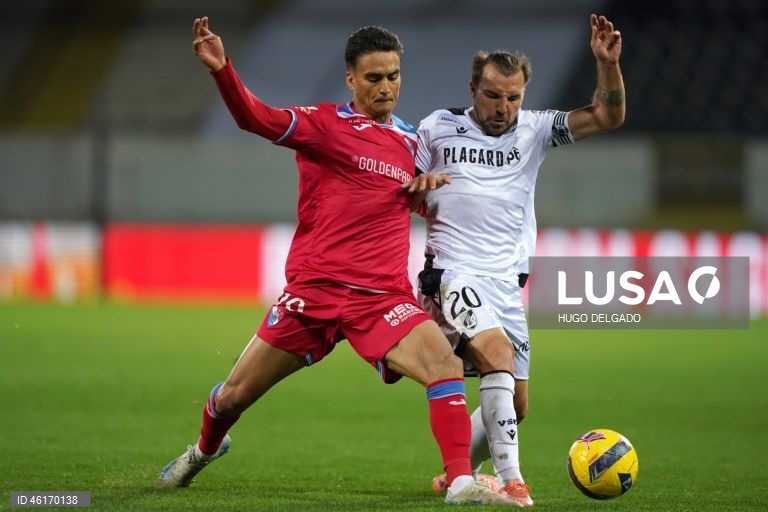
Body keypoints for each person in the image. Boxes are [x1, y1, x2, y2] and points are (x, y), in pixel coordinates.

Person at [156, 16, 519, 507]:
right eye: (373, 77)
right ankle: (202, 450)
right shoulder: (324, 125)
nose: (385, 87)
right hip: (314, 294)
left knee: (443, 363)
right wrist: (223, 70)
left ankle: (459, 482)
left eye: (393, 75)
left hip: (381, 299)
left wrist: (425, 190)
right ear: (351, 79)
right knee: (233, 397)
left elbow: (404, 201)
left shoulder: (413, 143)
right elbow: (256, 118)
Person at [412, 14, 625, 507]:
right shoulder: (438, 127)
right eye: (492, 96)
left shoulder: (534, 129)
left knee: (515, 404)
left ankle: (456, 473)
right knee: (497, 355)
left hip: (506, 282)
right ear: (473, 88)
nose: (503, 107)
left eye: (513, 97)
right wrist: (416, 189)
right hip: (452, 272)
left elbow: (607, 116)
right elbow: (402, 186)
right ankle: (512, 482)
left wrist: (606, 65)